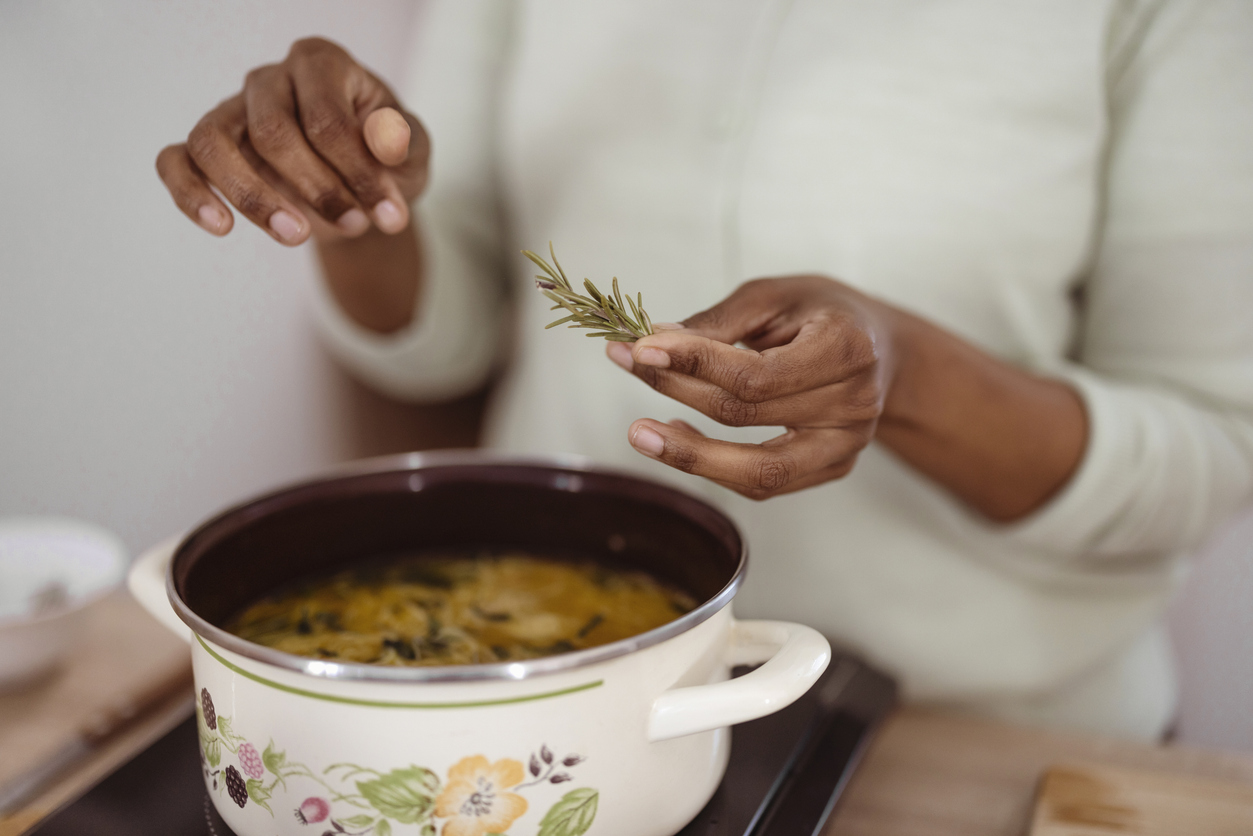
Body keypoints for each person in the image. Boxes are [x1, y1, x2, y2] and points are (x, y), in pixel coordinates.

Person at [157, 0, 1253, 740]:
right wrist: (356, 204)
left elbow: (1211, 446)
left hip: (976, 744)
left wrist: (904, 373)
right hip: (561, 704)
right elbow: (443, 333)